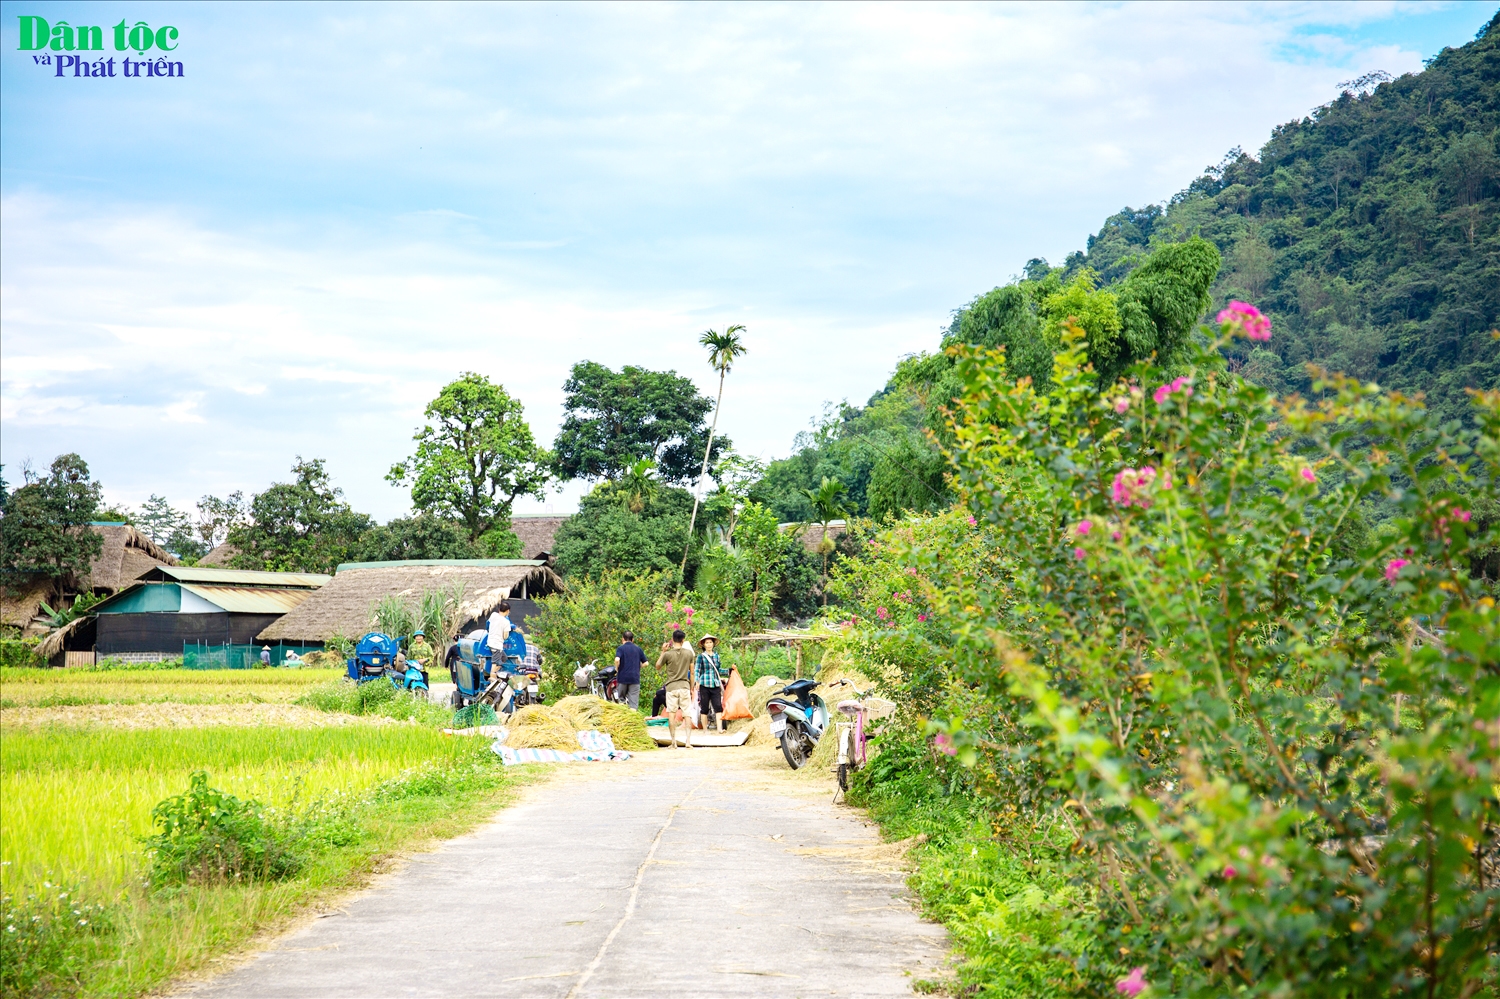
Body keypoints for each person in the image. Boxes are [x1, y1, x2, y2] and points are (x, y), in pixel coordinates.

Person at [655, 629, 695, 748]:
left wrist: (663, 651)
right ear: (683, 640)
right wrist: (691, 688)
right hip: (684, 686)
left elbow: (657, 666)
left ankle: (674, 742)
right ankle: (688, 742)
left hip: (671, 688)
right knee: (687, 714)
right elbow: (692, 673)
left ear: (672, 640)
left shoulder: (668, 654)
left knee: (671, 714)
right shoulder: (689, 654)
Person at [694, 635, 726, 734]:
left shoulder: (717, 656)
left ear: (713, 644)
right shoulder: (701, 656)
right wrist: (697, 681)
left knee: (718, 706)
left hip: (715, 683)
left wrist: (729, 671)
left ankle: (719, 729)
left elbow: (718, 670)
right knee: (704, 708)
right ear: (703, 644)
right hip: (704, 683)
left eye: (710, 642)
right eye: (707, 643)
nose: (709, 644)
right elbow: (697, 670)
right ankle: (705, 730)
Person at [614, 630, 646, 709]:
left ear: (623, 639)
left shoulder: (621, 648)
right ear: (633, 639)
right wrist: (638, 666)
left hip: (622, 678)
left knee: (621, 700)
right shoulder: (638, 649)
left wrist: (617, 668)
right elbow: (646, 663)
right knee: (633, 703)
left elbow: (617, 659)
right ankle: (632, 719)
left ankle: (622, 718)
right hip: (634, 678)